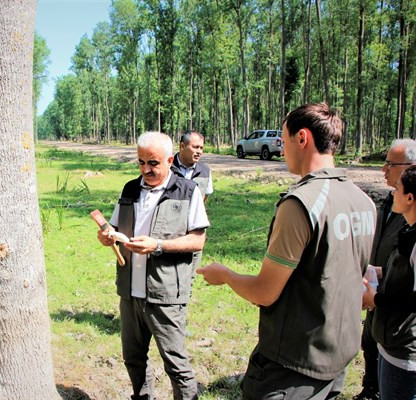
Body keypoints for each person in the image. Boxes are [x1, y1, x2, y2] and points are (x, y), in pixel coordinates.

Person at [197, 103, 376, 399]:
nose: (281, 148)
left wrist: (225, 275)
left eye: (284, 139)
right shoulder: (364, 201)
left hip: (292, 366)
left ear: (302, 138)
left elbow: (265, 292)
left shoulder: (301, 204)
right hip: (338, 357)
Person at [96, 131, 210, 400]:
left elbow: (198, 240)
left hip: (165, 294)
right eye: (141, 162)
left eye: (153, 163)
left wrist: (157, 245)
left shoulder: (187, 191)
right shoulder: (130, 189)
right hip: (130, 291)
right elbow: (115, 226)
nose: (145, 169)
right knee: (133, 358)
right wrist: (107, 236)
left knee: (176, 365)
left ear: (170, 160)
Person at [355, 139, 416, 400]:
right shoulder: (390, 203)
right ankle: (371, 390)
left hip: (403, 342)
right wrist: (379, 273)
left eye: (391, 164)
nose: (384, 169)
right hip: (386, 324)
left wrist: (377, 297)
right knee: (369, 344)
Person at [171, 131, 214, 203]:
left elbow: (204, 198)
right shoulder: (167, 168)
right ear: (182, 146)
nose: (199, 151)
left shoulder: (205, 171)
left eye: (201, 148)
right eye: (196, 147)